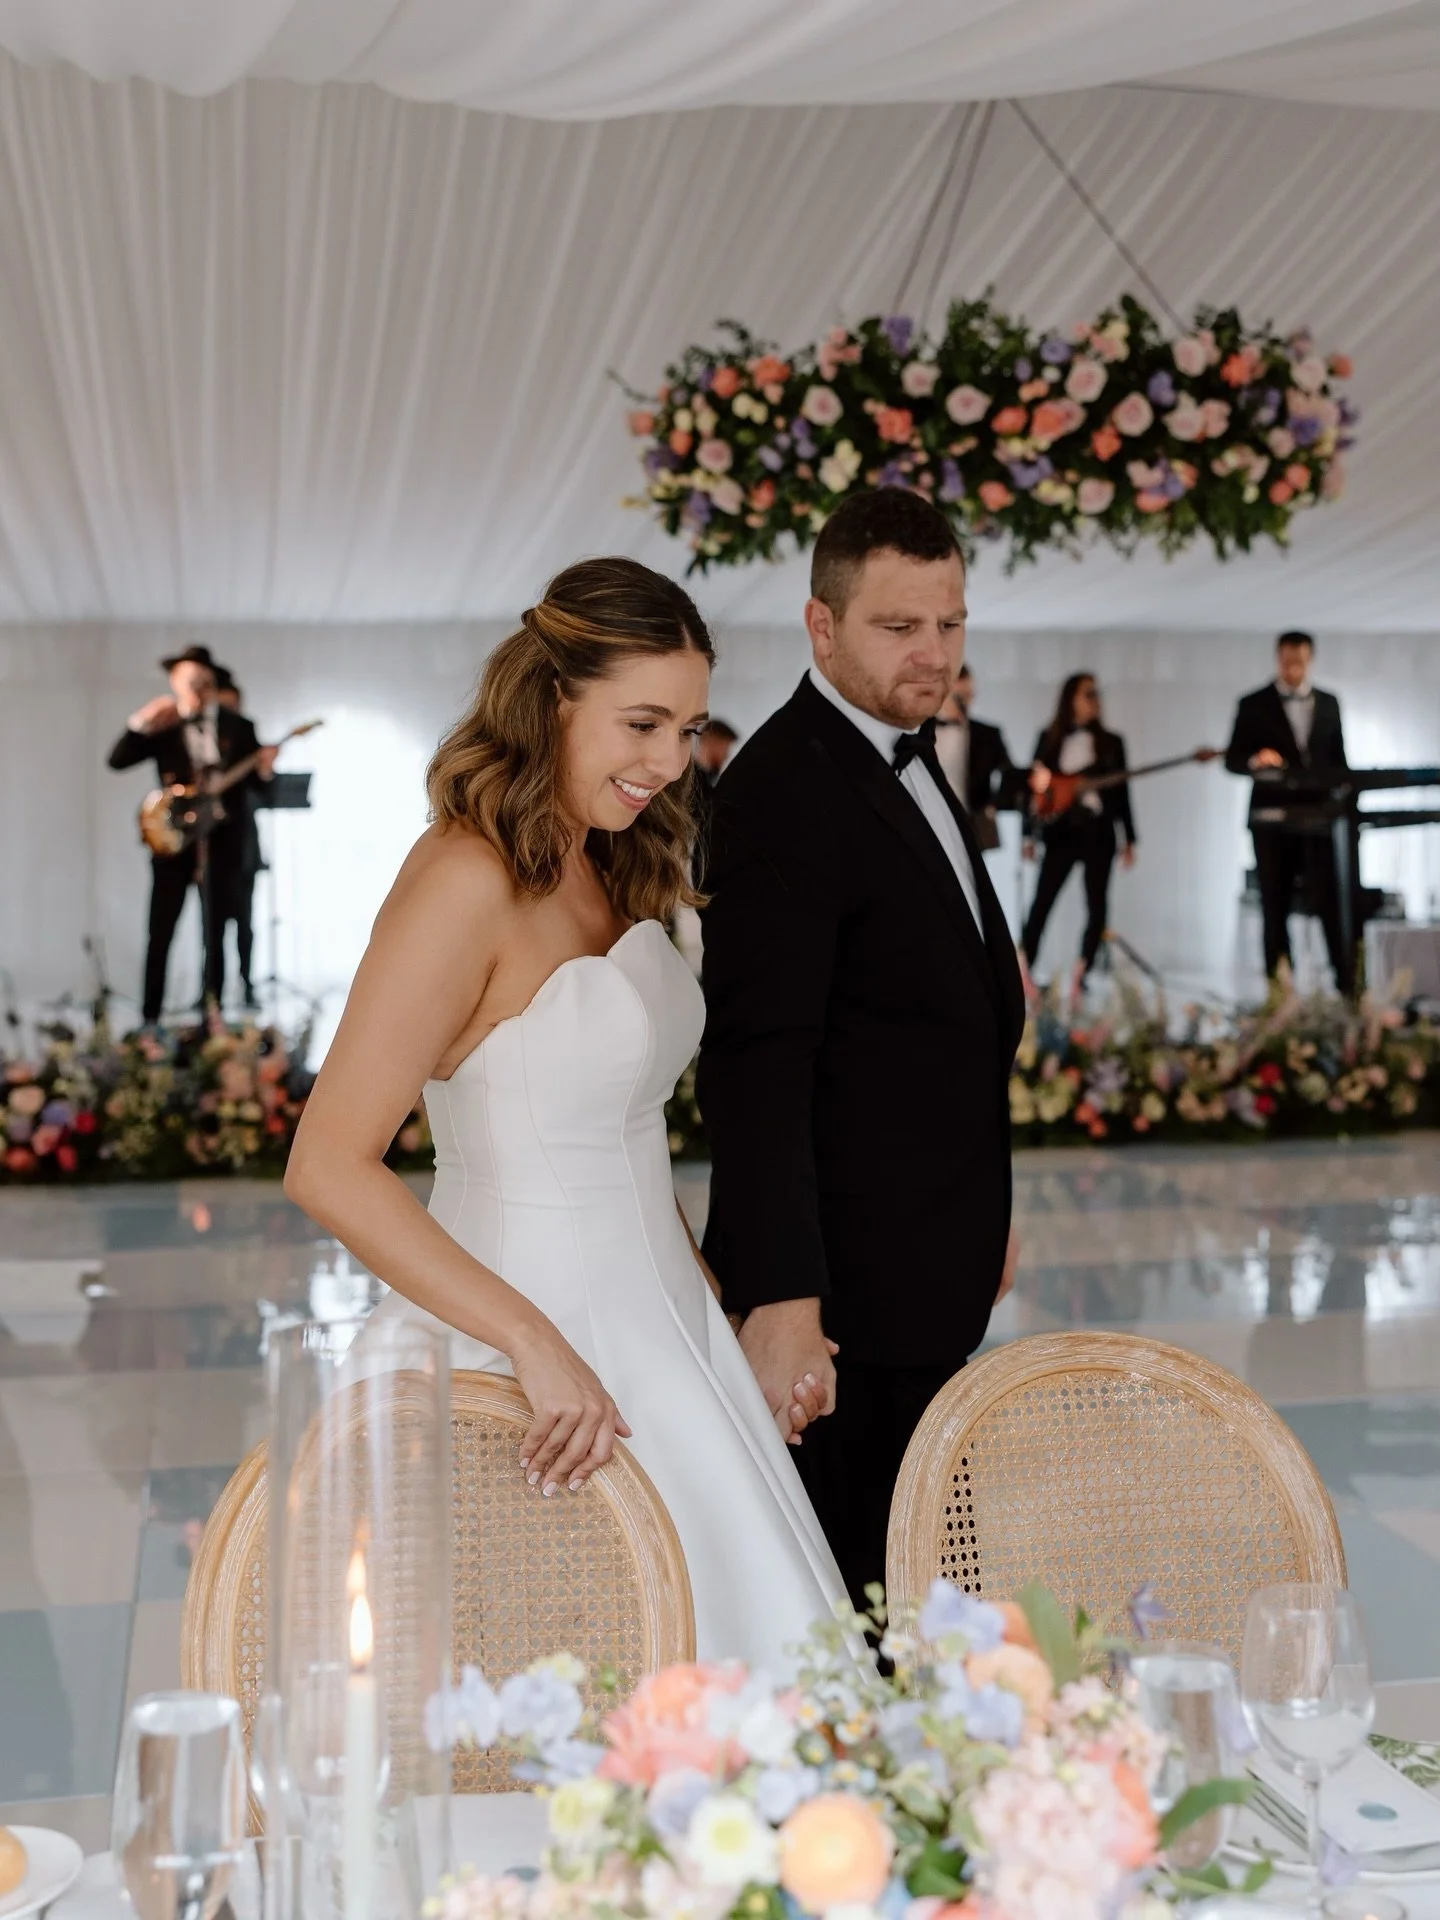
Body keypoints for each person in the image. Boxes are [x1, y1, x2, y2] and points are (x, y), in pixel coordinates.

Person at [284, 558, 845, 1671]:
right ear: (550, 699)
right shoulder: (462, 876)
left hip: (668, 1329)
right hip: (523, 1345)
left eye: (686, 729)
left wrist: (720, 1303)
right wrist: (531, 1339)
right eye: (641, 722)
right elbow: (328, 1163)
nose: (666, 763)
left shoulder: (611, 862)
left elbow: (624, 1131)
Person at [697, 488, 1025, 1609]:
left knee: (932, 1589)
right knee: (856, 1611)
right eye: (901, 627)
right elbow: (756, 1063)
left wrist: (993, 1203)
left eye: (951, 623)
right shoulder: (782, 791)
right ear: (821, 626)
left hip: (927, 1265)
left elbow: (931, 1025)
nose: (934, 654)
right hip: (841, 1306)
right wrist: (785, 1300)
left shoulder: (905, 747)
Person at [106, 644, 276, 1023]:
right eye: (186, 680)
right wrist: (140, 721)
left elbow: (262, 793)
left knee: (214, 933)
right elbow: (116, 761)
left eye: (200, 679)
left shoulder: (239, 727)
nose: (194, 687)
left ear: (211, 682)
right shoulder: (164, 724)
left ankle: (211, 1017)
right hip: (173, 844)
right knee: (161, 931)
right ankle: (150, 1020)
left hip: (222, 844)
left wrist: (265, 771)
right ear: (174, 684)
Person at [1225, 630, 1350, 991]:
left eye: (1299, 660)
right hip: (1271, 820)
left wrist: (1342, 803)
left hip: (1320, 819)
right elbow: (1233, 759)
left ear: (1310, 660)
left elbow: (1339, 762)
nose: (1292, 667)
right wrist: (1255, 760)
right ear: (1278, 658)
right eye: (1286, 660)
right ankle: (1279, 991)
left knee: (1331, 900)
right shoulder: (1253, 704)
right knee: (1274, 904)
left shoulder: (1329, 703)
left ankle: (1346, 986)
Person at [1019, 672, 1135, 1001]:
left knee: (1097, 904)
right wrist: (1028, 837)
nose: (1095, 700)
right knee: (1042, 901)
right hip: (1061, 832)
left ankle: (1082, 971)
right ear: (1071, 698)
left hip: (1099, 831)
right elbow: (1035, 793)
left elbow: (1122, 793)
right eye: (1088, 694)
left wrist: (1130, 838)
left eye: (1098, 694)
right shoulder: (1049, 738)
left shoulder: (1112, 743)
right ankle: (1024, 968)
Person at [213, 668, 265, 1009]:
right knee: (213, 931)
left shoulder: (247, 737)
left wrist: (264, 769)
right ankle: (212, 997)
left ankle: (247, 985)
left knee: (245, 925)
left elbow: (264, 792)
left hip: (244, 849)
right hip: (213, 852)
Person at [934, 663, 1023, 852]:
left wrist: (993, 805)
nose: (967, 702)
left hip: (972, 821)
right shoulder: (921, 731)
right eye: (961, 696)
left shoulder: (987, 734)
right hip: (929, 819)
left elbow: (1009, 774)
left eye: (970, 695)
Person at [693, 719, 740, 786]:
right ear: (712, 741)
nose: (726, 756)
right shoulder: (689, 779)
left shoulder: (709, 777)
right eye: (725, 749)